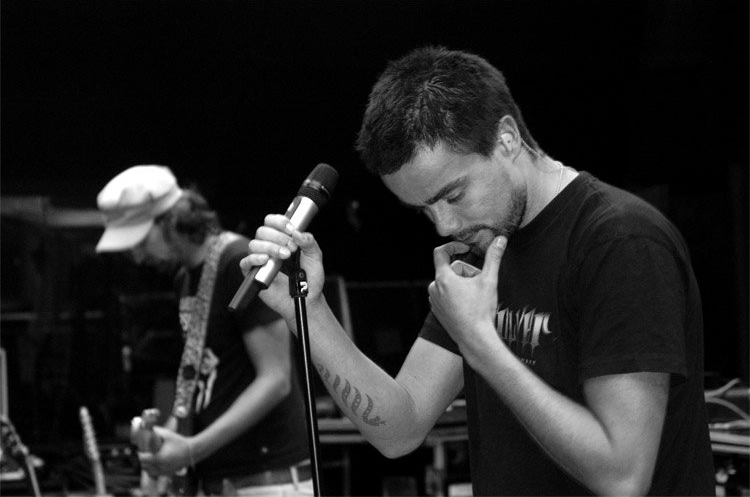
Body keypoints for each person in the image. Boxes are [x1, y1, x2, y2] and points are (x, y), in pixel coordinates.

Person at [240, 47, 716, 496]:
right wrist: (308, 310)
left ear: (506, 140)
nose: (445, 226)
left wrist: (481, 344)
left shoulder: (619, 241)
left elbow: (623, 476)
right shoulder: (481, 248)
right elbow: (400, 430)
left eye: (453, 195)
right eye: (424, 210)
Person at [95, 165, 312, 496]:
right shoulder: (186, 277)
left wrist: (192, 450)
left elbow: (276, 379)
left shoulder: (238, 262)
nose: (136, 257)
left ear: (171, 220)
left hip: (269, 480)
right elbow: (206, 376)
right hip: (225, 482)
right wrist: (167, 444)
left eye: (140, 241)